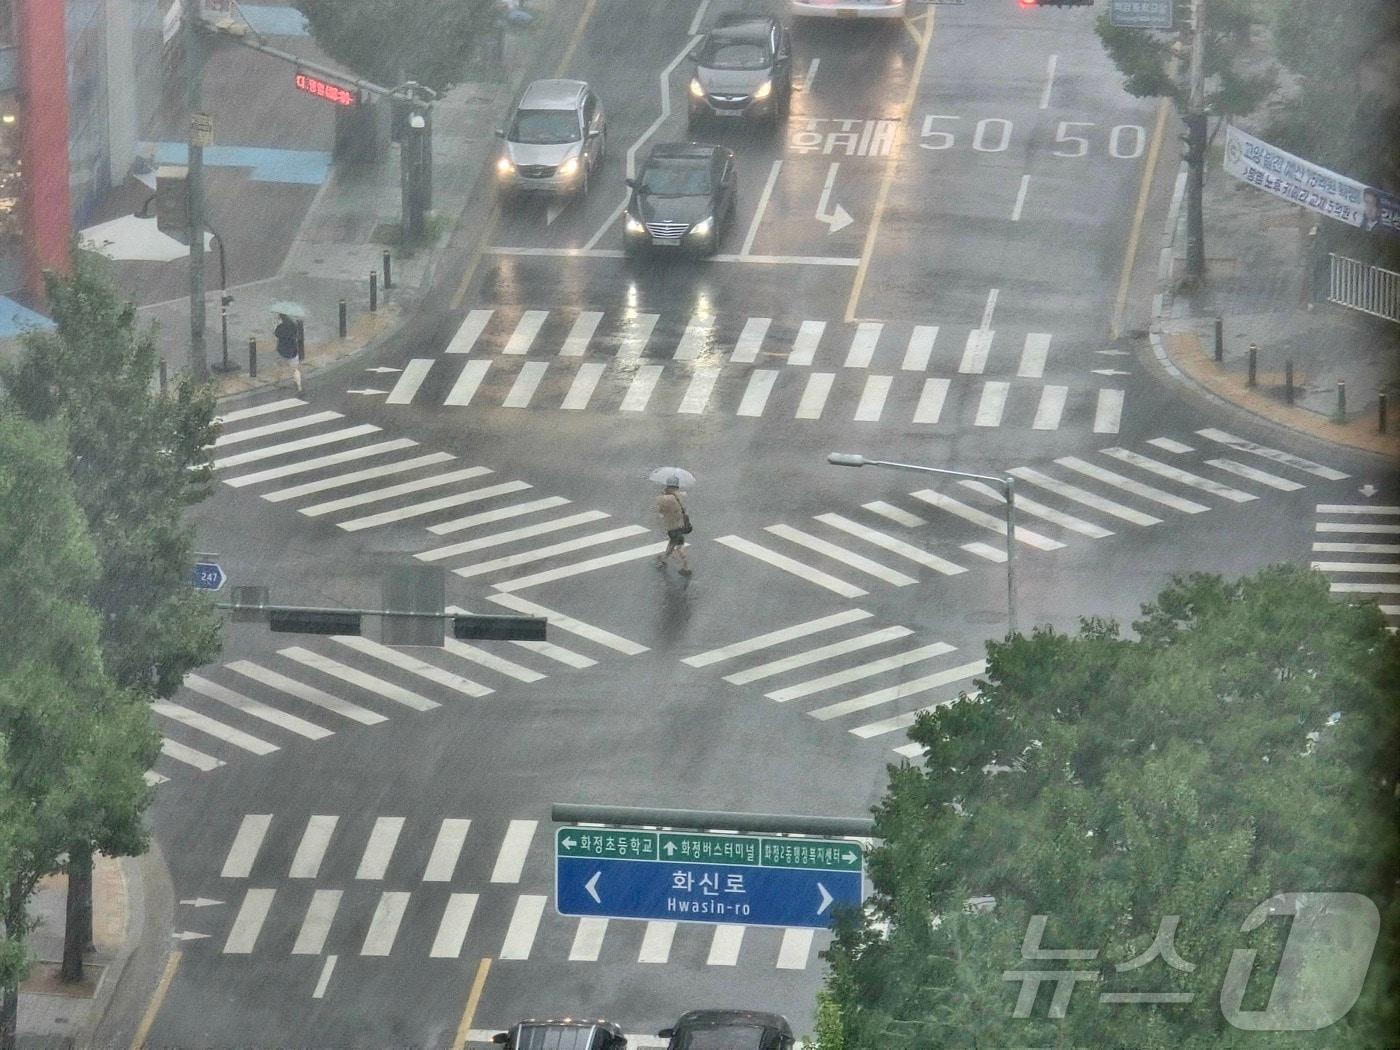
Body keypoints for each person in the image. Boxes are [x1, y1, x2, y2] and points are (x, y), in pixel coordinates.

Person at [654, 478, 692, 577]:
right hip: (682, 524)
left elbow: (661, 511)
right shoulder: (682, 495)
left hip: (672, 526)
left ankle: (686, 566)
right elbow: (685, 508)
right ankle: (663, 559)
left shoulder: (664, 498)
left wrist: (663, 496)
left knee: (679, 546)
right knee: (673, 542)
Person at [273, 313, 303, 393]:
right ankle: (299, 386)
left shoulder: (281, 326)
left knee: (280, 366)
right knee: (295, 369)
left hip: (283, 350)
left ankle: (277, 381)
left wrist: (276, 325)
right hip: (293, 350)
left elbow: (276, 334)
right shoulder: (293, 324)